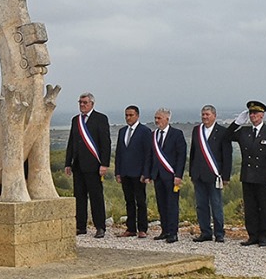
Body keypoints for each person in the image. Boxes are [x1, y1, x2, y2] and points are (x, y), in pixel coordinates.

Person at [233, 101, 266, 246]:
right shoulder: (244, 131)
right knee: (250, 207)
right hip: (248, 175)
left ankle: (265, 236)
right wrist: (237, 123)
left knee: (264, 207)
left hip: (263, 175)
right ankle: (252, 235)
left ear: (262, 115)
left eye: (255, 113)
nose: (253, 116)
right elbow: (226, 136)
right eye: (251, 113)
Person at [64, 93, 110, 238]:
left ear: (92, 104)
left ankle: (100, 227)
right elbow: (71, 142)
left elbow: (105, 143)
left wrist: (104, 164)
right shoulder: (76, 120)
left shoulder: (100, 119)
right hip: (78, 165)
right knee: (79, 197)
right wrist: (68, 163)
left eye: (85, 102)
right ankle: (81, 226)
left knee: (96, 197)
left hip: (94, 165)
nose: (82, 105)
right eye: (80, 102)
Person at [188, 105, 230, 242]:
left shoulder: (223, 132)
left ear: (214, 116)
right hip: (198, 175)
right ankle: (205, 232)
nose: (205, 117)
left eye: (207, 114)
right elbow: (193, 152)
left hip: (214, 175)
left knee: (216, 205)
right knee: (201, 205)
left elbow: (227, 155)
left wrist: (226, 176)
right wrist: (191, 173)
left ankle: (219, 233)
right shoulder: (197, 130)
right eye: (203, 114)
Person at [147, 108, 187, 242]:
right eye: (155, 118)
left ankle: (173, 232)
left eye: (159, 118)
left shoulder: (177, 134)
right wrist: (148, 174)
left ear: (167, 119)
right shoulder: (153, 135)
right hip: (157, 175)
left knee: (172, 205)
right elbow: (150, 156)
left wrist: (178, 175)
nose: (156, 121)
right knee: (161, 204)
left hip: (171, 176)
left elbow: (181, 156)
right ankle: (164, 230)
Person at [113, 105, 150, 237]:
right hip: (125, 172)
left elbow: (147, 154)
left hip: (138, 173)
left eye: (131, 115)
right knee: (129, 200)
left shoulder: (144, 131)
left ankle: (142, 229)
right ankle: (131, 228)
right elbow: (119, 153)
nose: (128, 118)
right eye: (126, 115)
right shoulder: (122, 131)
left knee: (140, 201)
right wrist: (118, 172)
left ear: (137, 116)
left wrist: (146, 173)